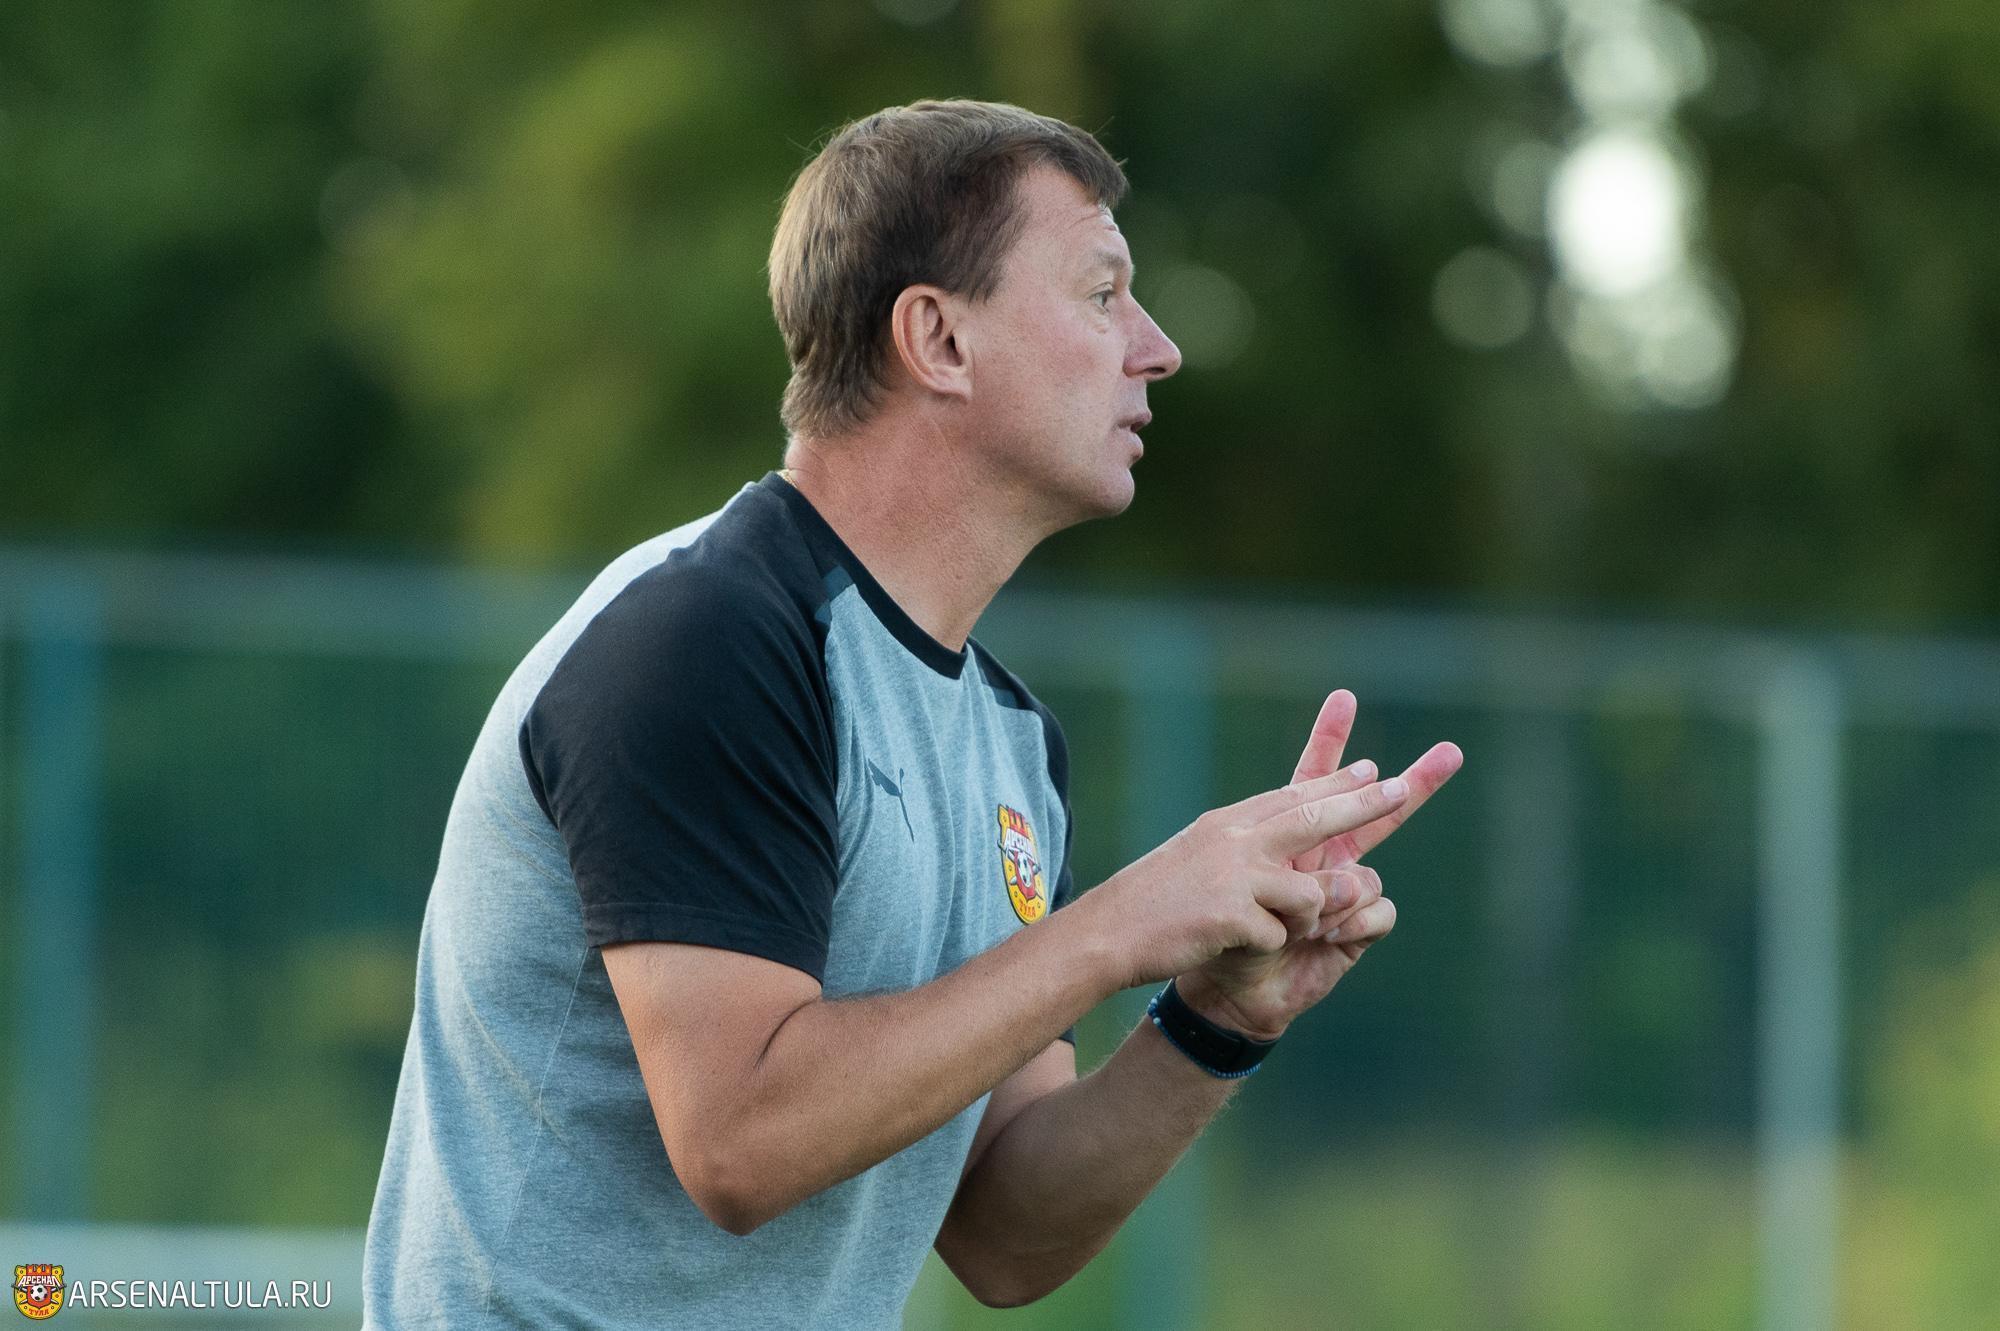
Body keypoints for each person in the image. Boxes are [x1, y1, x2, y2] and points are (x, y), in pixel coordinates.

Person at [362, 98, 1462, 1328]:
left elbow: (1001, 1233)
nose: (1155, 349)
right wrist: (1120, 922)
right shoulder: (708, 637)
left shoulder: (1009, 738)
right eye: (1102, 294)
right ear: (937, 339)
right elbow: (738, 1141)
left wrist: (1217, 1016)